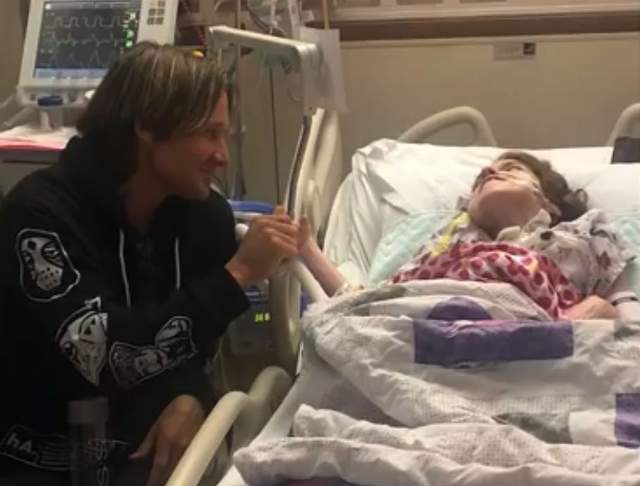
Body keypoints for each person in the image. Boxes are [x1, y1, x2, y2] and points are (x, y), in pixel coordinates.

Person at [0, 42, 302, 485]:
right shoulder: (40, 217)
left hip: (147, 454)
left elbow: (197, 349)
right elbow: (103, 355)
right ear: (146, 126)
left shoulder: (204, 217)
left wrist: (191, 396)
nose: (223, 155)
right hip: (36, 458)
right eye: (209, 134)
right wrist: (237, 275)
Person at [300, 151, 640, 320]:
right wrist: (308, 250)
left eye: (511, 170)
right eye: (481, 178)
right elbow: (368, 307)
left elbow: (629, 323)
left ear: (548, 203)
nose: (490, 172)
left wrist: (603, 315)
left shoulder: (584, 240)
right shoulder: (441, 253)